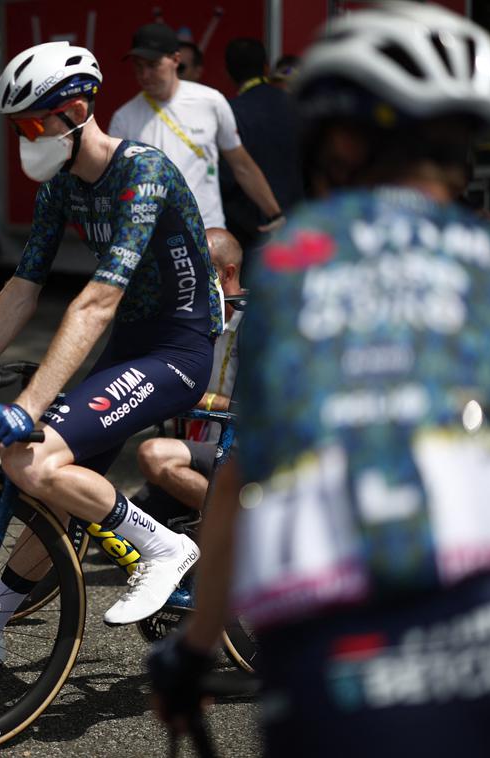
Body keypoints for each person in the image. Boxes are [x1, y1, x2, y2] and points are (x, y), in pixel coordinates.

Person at [149, 5, 490, 757]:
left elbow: (244, 479)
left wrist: (196, 648)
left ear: (337, 142)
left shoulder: (298, 265)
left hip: (359, 676)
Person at [0, 41, 222, 669]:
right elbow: (22, 289)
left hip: (180, 350)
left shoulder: (143, 173)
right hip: (131, 347)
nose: (24, 138)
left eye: (30, 124)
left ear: (74, 111)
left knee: (35, 458)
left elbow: (97, 301)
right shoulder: (63, 187)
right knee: (46, 485)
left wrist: (28, 404)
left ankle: (163, 549)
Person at [109, 23, 284, 234]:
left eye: (153, 65)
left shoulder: (211, 102)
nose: (145, 75)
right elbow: (114, 185)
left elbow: (241, 165)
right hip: (152, 237)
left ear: (175, 59)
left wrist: (275, 215)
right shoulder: (123, 118)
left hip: (207, 233)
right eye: (138, 66)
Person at [134, 227, 242, 514]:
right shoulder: (194, 319)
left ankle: (235, 527)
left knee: (153, 454)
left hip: (239, 450)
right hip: (198, 448)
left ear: (228, 274)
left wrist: (195, 397)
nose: (190, 280)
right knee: (118, 535)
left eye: (202, 271)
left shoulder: (257, 322)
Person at [219, 37, 304, 251]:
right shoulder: (298, 107)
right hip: (298, 221)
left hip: (250, 231)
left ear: (228, 72)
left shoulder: (229, 111)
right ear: (266, 67)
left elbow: (226, 177)